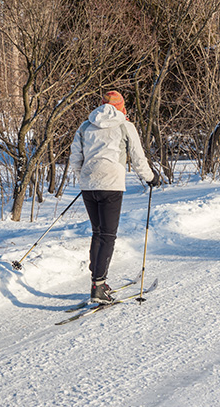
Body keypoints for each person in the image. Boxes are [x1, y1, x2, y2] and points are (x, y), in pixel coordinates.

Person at [69, 91, 160, 303]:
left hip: (89, 184)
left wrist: (84, 178)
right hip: (111, 184)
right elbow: (138, 158)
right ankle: (98, 287)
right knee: (108, 235)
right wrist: (150, 177)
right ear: (122, 107)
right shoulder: (125, 125)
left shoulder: (85, 126)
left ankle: (97, 282)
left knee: (97, 232)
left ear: (100, 105)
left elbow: (75, 158)